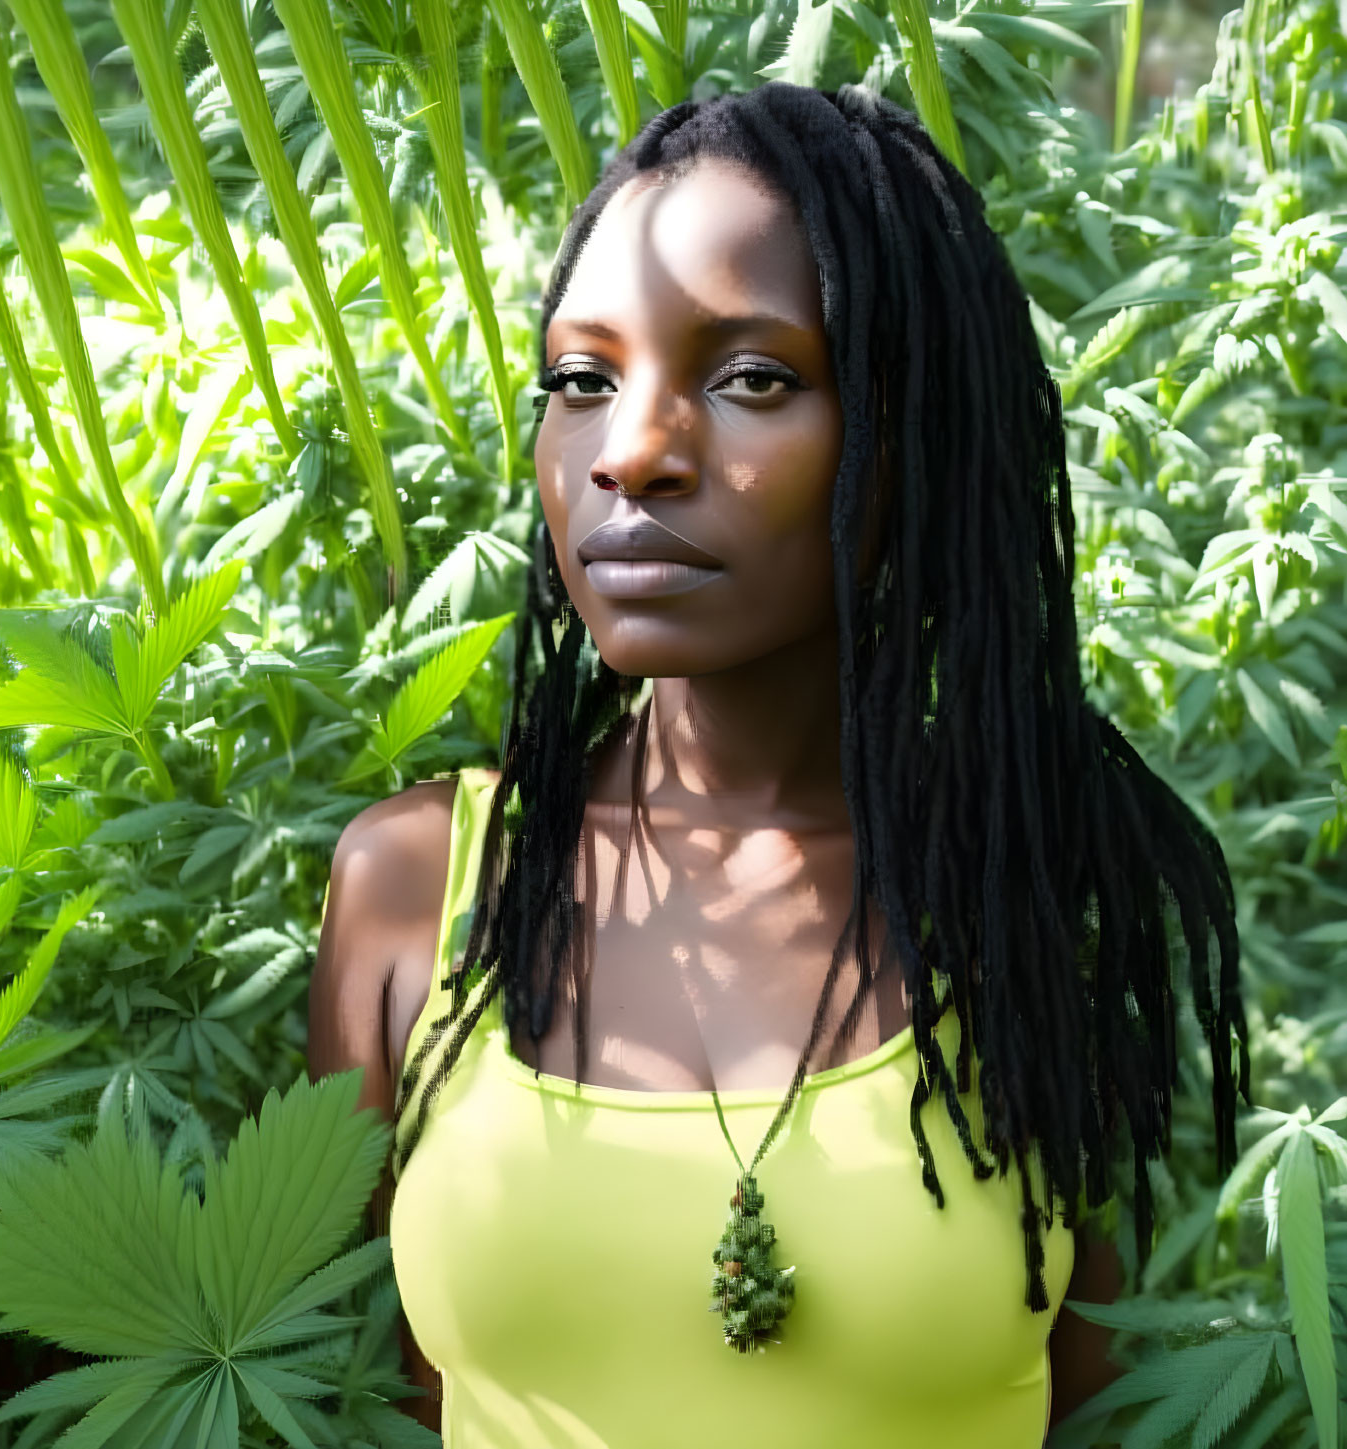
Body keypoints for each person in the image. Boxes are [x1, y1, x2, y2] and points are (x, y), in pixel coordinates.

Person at [309, 81, 1248, 1446]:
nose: (630, 453)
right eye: (582, 380)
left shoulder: (1033, 898)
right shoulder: (418, 888)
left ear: (913, 437)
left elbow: (1093, 1405)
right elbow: (361, 1393)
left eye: (752, 377)